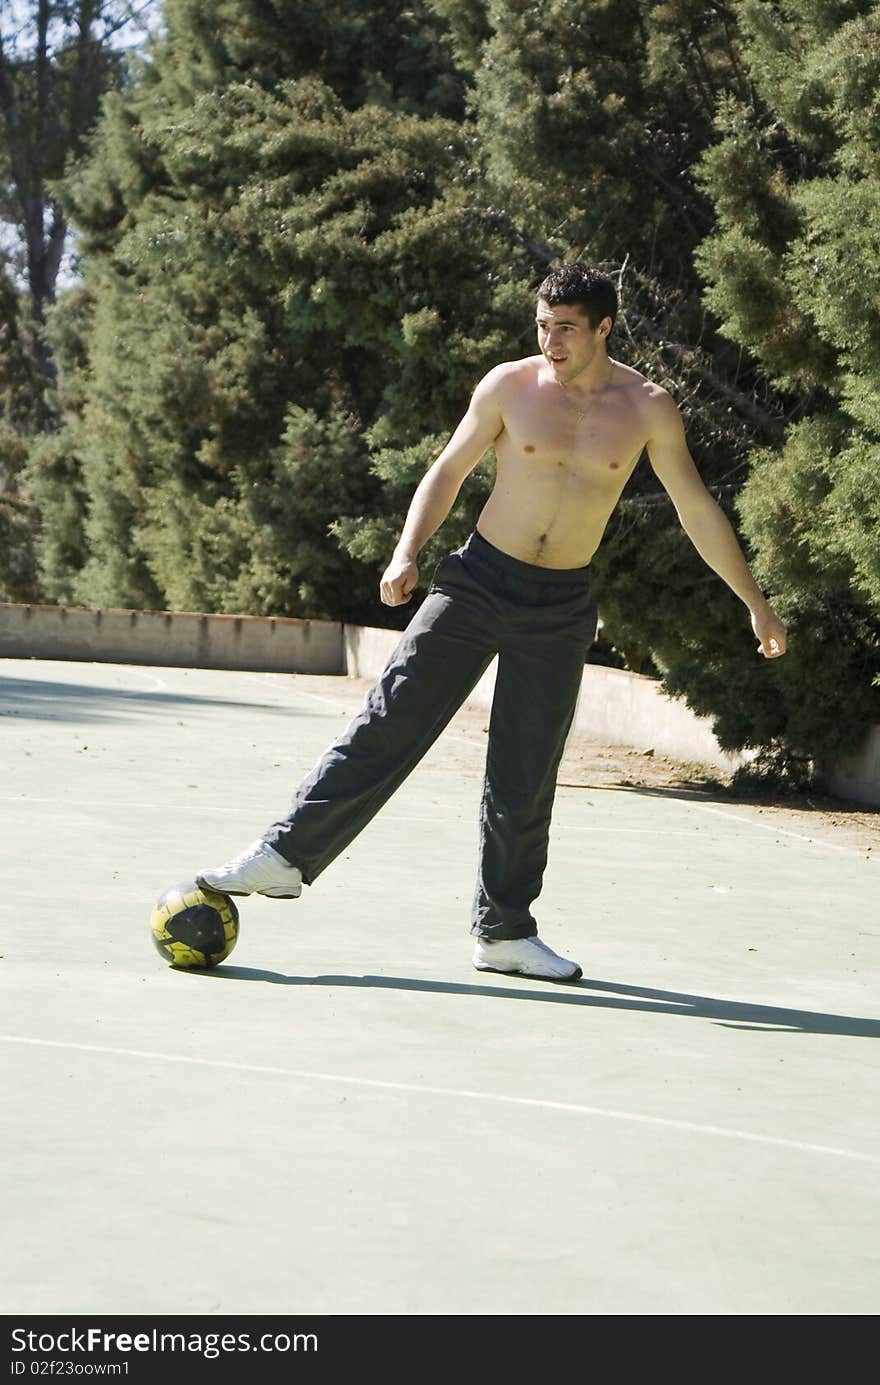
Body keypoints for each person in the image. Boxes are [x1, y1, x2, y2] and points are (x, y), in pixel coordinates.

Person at [197, 263, 787, 983]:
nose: (550, 341)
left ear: (604, 327)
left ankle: (504, 930)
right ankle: (285, 856)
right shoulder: (510, 384)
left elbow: (696, 507)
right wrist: (406, 550)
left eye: (566, 328)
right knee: (391, 715)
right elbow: (449, 468)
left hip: (562, 602)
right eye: (542, 325)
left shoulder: (648, 407)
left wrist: (753, 601)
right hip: (479, 580)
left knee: (526, 769)